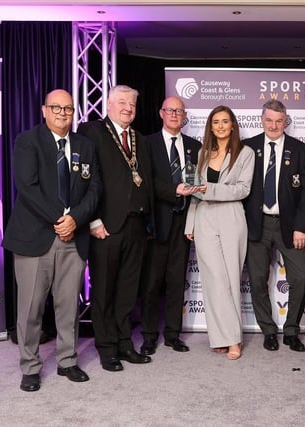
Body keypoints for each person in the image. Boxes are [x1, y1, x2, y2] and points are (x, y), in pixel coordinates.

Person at [3, 89, 102, 391]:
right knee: (31, 307)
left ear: (74, 113)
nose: (62, 113)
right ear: (44, 110)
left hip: (74, 237)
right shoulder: (27, 141)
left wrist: (75, 220)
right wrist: (61, 220)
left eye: (68, 109)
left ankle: (67, 361)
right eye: (56, 108)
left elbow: (95, 188)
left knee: (68, 305)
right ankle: (30, 366)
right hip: (36, 237)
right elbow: (27, 187)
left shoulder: (85, 146)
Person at [77, 85, 153, 371]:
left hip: (136, 225)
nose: (127, 108)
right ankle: (106, 347)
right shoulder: (92, 132)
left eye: (132, 104)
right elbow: (85, 180)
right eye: (121, 102)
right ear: (108, 105)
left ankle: (124, 343)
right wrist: (93, 220)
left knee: (127, 290)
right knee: (105, 289)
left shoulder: (139, 139)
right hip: (105, 226)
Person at [184, 105, 255, 360]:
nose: (221, 126)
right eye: (216, 122)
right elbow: (194, 190)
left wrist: (209, 189)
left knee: (230, 279)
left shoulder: (245, 153)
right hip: (204, 217)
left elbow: (242, 189)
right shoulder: (203, 152)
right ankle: (220, 337)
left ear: (233, 125)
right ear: (210, 126)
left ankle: (234, 338)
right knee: (213, 279)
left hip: (231, 216)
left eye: (225, 121)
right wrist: (190, 223)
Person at [243, 100, 305, 353]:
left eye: (279, 120)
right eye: (269, 120)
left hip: (291, 226)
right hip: (256, 226)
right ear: (262, 119)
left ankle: (292, 330)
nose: (274, 125)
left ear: (286, 121)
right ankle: (268, 330)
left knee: (299, 277)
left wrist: (302, 227)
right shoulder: (248, 147)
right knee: (258, 278)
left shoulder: (301, 150)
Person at [139, 96, 202, 355]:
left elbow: (198, 183)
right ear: (161, 113)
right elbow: (145, 180)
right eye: (170, 110)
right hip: (156, 222)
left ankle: (173, 334)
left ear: (184, 115)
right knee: (152, 282)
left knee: (178, 280)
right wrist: (173, 190)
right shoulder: (146, 143)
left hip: (183, 223)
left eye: (179, 111)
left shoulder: (195, 146)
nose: (174, 114)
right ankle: (149, 334)